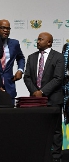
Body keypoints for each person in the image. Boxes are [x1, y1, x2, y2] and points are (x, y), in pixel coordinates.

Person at [24, 32, 64, 162]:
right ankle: (38, 154)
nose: (38, 41)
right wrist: (35, 92)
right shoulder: (31, 57)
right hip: (35, 101)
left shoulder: (58, 57)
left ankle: (56, 157)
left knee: (56, 130)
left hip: (53, 99)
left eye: (41, 39)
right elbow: (27, 77)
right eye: (37, 39)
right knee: (37, 128)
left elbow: (58, 78)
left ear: (49, 42)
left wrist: (42, 92)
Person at [0, 19, 25, 104]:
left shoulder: (14, 43)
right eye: (3, 28)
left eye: (8, 29)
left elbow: (21, 58)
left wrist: (20, 70)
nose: (6, 30)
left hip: (9, 86)